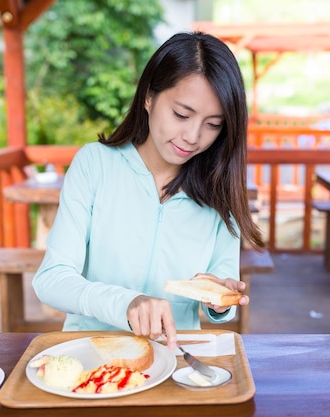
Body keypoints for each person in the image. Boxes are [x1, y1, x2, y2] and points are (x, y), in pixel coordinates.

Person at [32, 31, 264, 350]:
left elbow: (220, 290)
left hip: (175, 358)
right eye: (181, 114)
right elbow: (51, 280)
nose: (193, 136)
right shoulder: (94, 164)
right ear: (149, 97)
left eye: (213, 124)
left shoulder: (219, 190)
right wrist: (126, 304)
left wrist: (219, 298)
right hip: (88, 355)